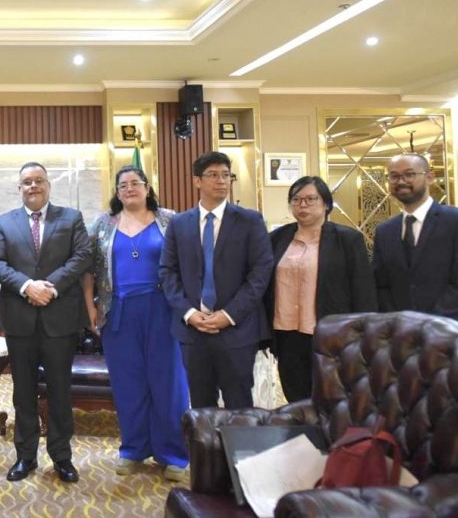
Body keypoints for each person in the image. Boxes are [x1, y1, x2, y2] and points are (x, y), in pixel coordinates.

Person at [81, 166, 189, 482]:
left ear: (147, 187)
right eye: (123, 185)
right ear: (117, 192)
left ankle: (174, 454)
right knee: (128, 383)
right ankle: (133, 449)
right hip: (118, 311)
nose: (129, 188)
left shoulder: (170, 220)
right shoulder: (103, 224)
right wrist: (89, 305)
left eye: (135, 183)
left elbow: (188, 264)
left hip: (163, 309)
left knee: (169, 382)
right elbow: (88, 269)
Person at [0, 162, 91, 483]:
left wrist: (50, 287)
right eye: (27, 182)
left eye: (39, 181)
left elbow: (82, 256)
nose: (33, 186)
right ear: (19, 188)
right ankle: (25, 456)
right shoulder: (4, 222)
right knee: (23, 392)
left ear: (48, 185)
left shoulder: (71, 218)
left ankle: (62, 457)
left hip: (60, 319)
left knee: (60, 391)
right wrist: (26, 286)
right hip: (19, 320)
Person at [159, 151, 273, 409]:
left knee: (239, 407)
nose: (221, 181)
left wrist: (229, 314)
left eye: (226, 175)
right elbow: (167, 272)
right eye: (213, 175)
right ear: (197, 181)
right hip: (193, 331)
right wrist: (189, 313)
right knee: (201, 407)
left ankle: (238, 441)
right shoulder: (179, 223)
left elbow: (261, 272)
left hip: (237, 330)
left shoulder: (250, 220)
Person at [264, 176, 377, 403]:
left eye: (310, 199)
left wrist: (363, 335)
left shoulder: (347, 239)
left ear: (326, 203)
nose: (302, 205)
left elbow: (363, 291)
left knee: (332, 398)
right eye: (296, 200)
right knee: (296, 398)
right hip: (286, 334)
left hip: (331, 334)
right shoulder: (277, 238)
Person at [372, 154, 458, 330]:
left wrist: (428, 324)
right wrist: (399, 322)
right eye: (394, 176)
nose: (401, 181)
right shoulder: (385, 230)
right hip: (401, 334)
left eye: (409, 174)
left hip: (452, 332)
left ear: (430, 177)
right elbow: (381, 284)